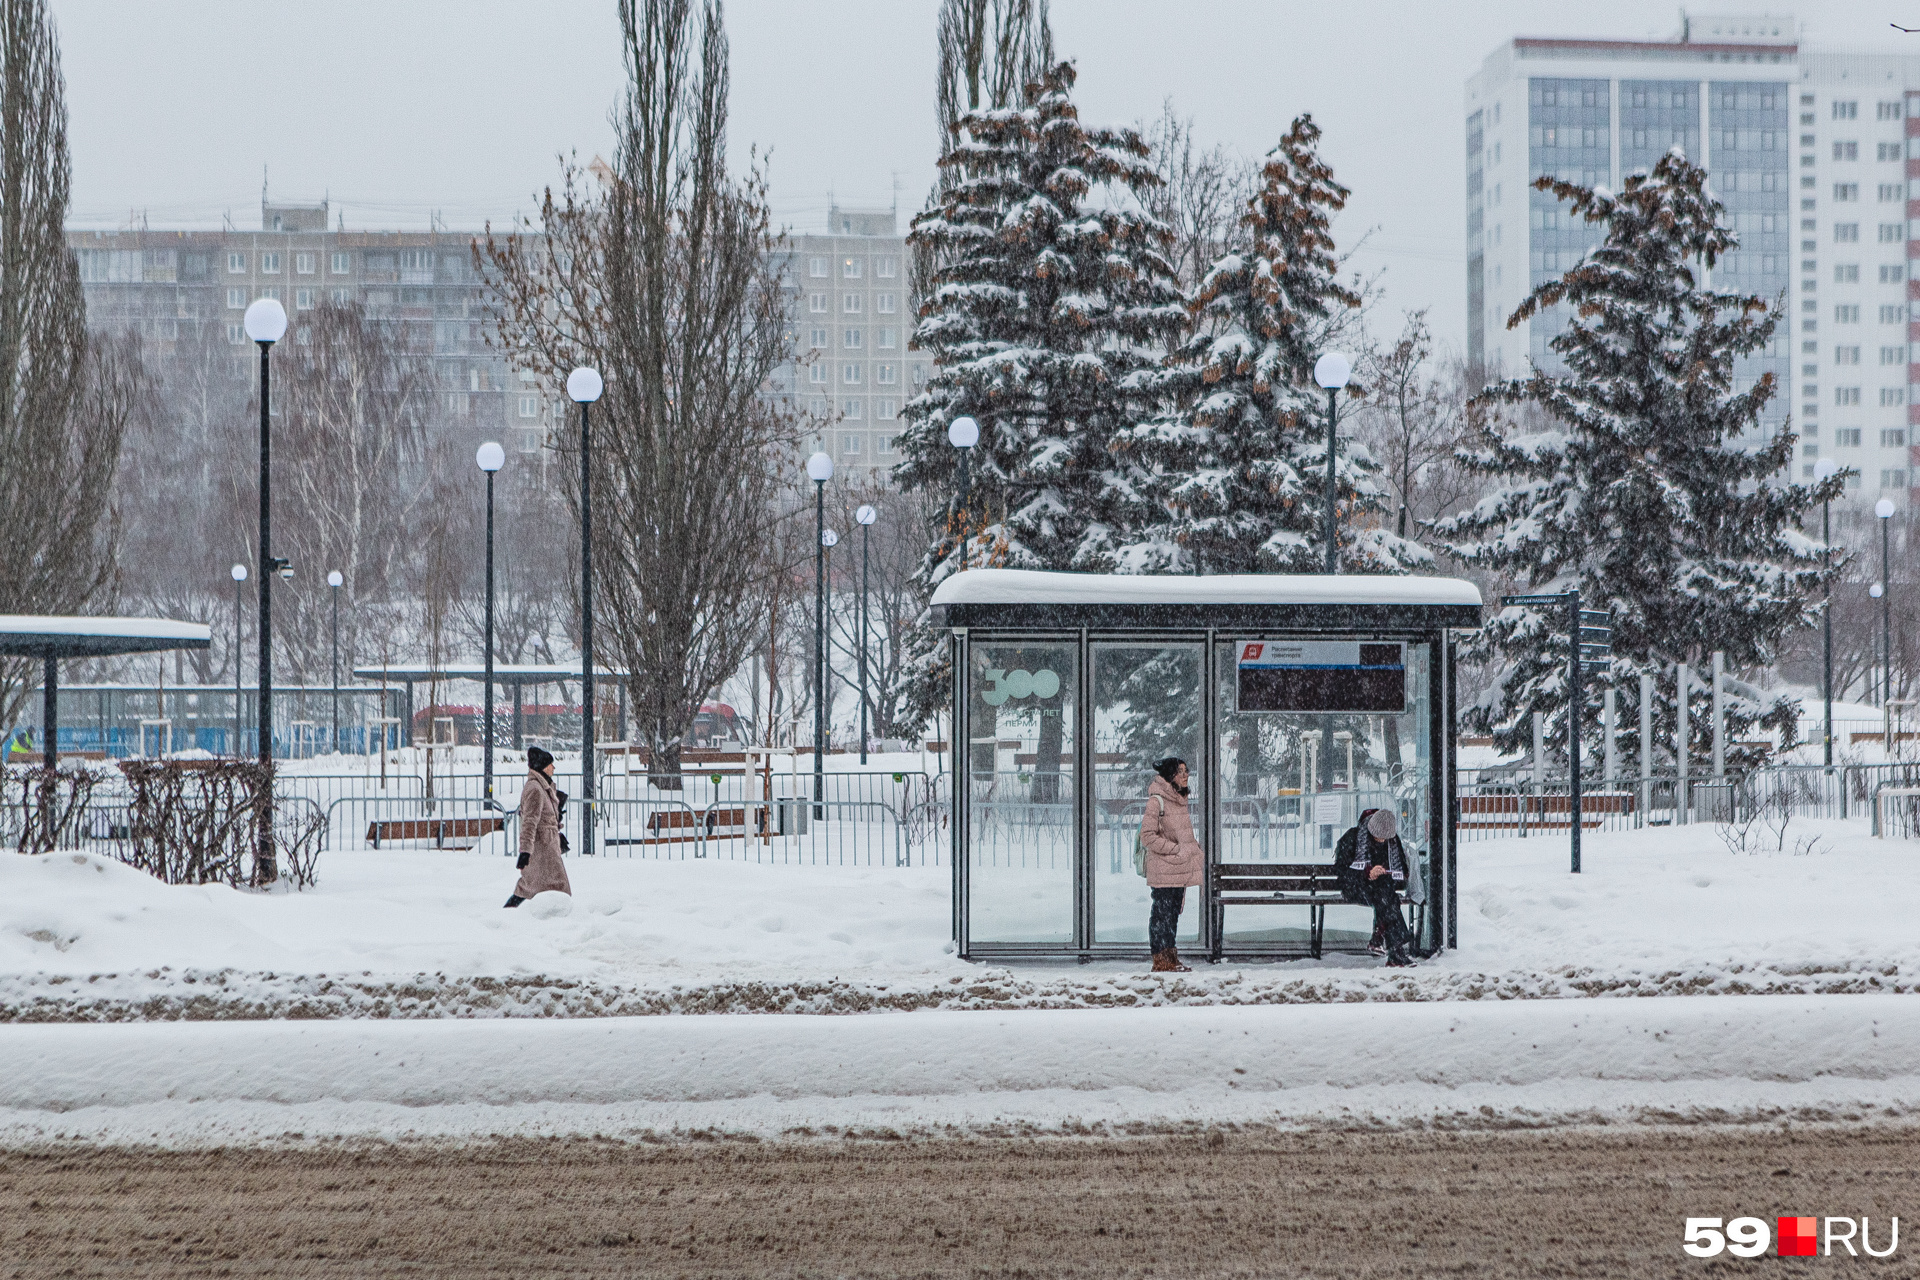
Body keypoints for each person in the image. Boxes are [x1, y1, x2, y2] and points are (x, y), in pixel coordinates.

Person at [1140, 756, 1203, 972]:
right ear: (1170, 775)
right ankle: (1162, 961)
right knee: (1162, 914)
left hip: (1177, 868)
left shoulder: (1178, 800)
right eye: (1181, 771)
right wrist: (1176, 850)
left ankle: (1170, 960)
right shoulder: (1157, 801)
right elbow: (1147, 836)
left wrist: (1192, 848)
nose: (1186, 776)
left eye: (1187, 771)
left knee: (1172, 915)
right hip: (1164, 869)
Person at [1337, 807, 1415, 967]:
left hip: (1382, 891)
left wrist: (1386, 871)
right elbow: (1341, 871)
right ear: (1371, 830)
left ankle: (1386, 945)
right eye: (1378, 837)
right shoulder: (1353, 837)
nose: (1382, 841)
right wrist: (1366, 873)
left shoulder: (1393, 841)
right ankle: (1392, 949)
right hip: (1356, 888)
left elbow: (1402, 871)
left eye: (1385, 838)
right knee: (1388, 899)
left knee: (1386, 896)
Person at [505, 746, 571, 907]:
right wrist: (525, 852)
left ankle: (514, 913)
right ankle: (508, 913)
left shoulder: (543, 788)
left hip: (546, 848)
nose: (553, 768)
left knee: (536, 887)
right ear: (542, 766)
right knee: (540, 887)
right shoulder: (535, 789)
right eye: (550, 765)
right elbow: (529, 822)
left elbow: (543, 818)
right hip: (541, 849)